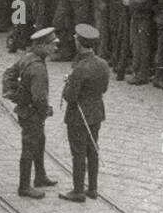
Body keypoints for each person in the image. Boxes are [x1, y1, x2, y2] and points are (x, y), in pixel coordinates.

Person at [59, 23, 108, 202]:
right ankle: (93, 189)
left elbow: (70, 97)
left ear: (79, 43)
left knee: (78, 152)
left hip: (78, 117)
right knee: (93, 150)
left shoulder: (80, 68)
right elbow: (104, 89)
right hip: (96, 114)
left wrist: (68, 83)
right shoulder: (103, 64)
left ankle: (78, 190)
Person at [13, 27, 58, 198]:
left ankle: (40, 176)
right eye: (51, 45)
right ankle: (24, 186)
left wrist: (15, 95)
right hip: (33, 113)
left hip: (27, 110)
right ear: (41, 46)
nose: (55, 48)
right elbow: (39, 97)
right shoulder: (37, 67)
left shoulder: (28, 58)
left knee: (39, 141)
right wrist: (45, 110)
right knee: (30, 146)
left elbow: (9, 75)